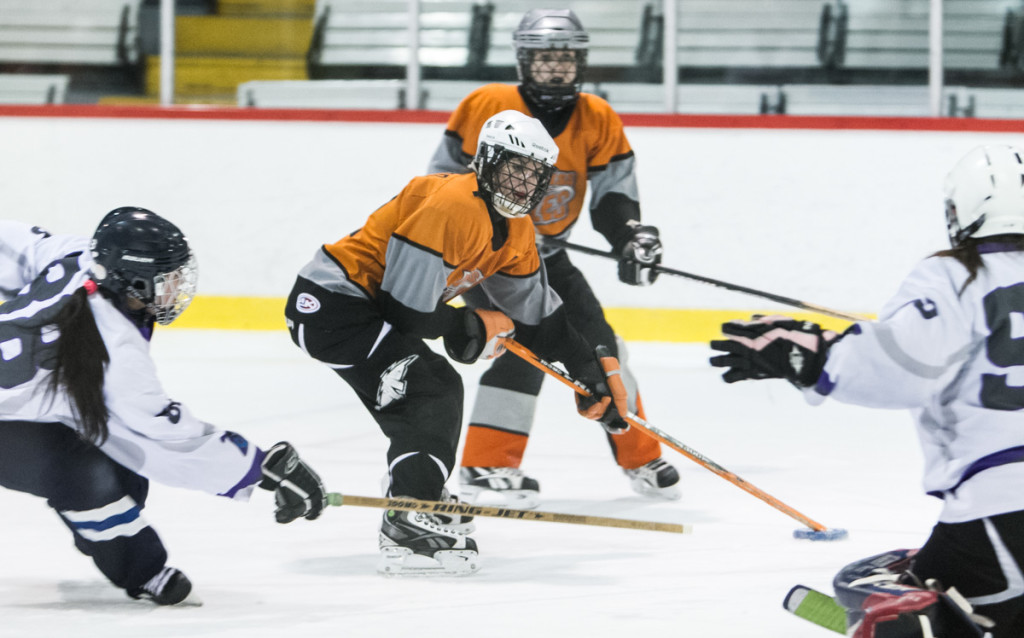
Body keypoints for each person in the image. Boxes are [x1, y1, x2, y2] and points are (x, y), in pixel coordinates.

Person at [285, 109, 631, 577]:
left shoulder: (519, 229)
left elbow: (538, 318)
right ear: (486, 162)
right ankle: (410, 513)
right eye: (514, 167)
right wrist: (466, 325)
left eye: (535, 174)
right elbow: (404, 309)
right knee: (429, 387)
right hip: (333, 307)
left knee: (423, 390)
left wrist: (588, 368)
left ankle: (417, 488)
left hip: (364, 312)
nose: (523, 184)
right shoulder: (451, 204)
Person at [709, 144, 1024, 638]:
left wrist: (812, 355)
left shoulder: (956, 276)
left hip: (1001, 511)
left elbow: (903, 363)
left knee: (877, 593)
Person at [0, 208, 326, 606]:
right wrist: (258, 469)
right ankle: (144, 571)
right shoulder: (117, 354)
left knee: (123, 467)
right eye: (166, 281)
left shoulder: (80, 259)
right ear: (132, 280)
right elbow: (171, 439)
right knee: (88, 474)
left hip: (15, 411)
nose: (176, 290)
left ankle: (110, 538)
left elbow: (16, 245)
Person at [427, 8, 679, 510]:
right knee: (528, 347)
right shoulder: (486, 104)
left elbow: (613, 196)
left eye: (566, 58)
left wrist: (629, 236)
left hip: (548, 257)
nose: (556, 69)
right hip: (490, 256)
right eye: (545, 59)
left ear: (581, 62)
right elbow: (441, 183)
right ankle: (488, 462)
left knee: (602, 345)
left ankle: (639, 456)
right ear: (524, 61)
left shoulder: (598, 116)